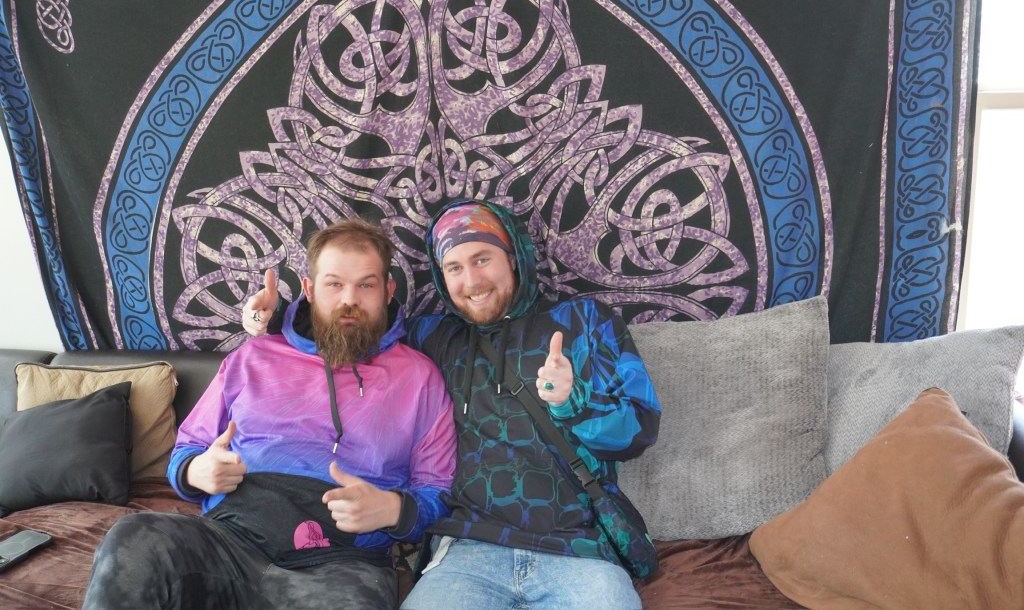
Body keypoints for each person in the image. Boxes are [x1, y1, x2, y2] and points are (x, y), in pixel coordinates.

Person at [245, 201, 661, 610]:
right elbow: (353, 331)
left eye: (483, 259)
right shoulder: (430, 338)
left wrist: (573, 404)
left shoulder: (587, 320)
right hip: (466, 552)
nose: (472, 281)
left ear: (513, 258)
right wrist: (282, 317)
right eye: (455, 268)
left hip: (578, 550)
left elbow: (640, 429)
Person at [83, 218, 456, 610]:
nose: (350, 300)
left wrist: (393, 509)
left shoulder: (419, 377)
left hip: (343, 563)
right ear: (310, 290)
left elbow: (438, 490)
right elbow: (189, 448)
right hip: (229, 540)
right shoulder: (252, 358)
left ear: (387, 290)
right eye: (334, 284)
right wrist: (196, 472)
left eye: (366, 284)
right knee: (134, 537)